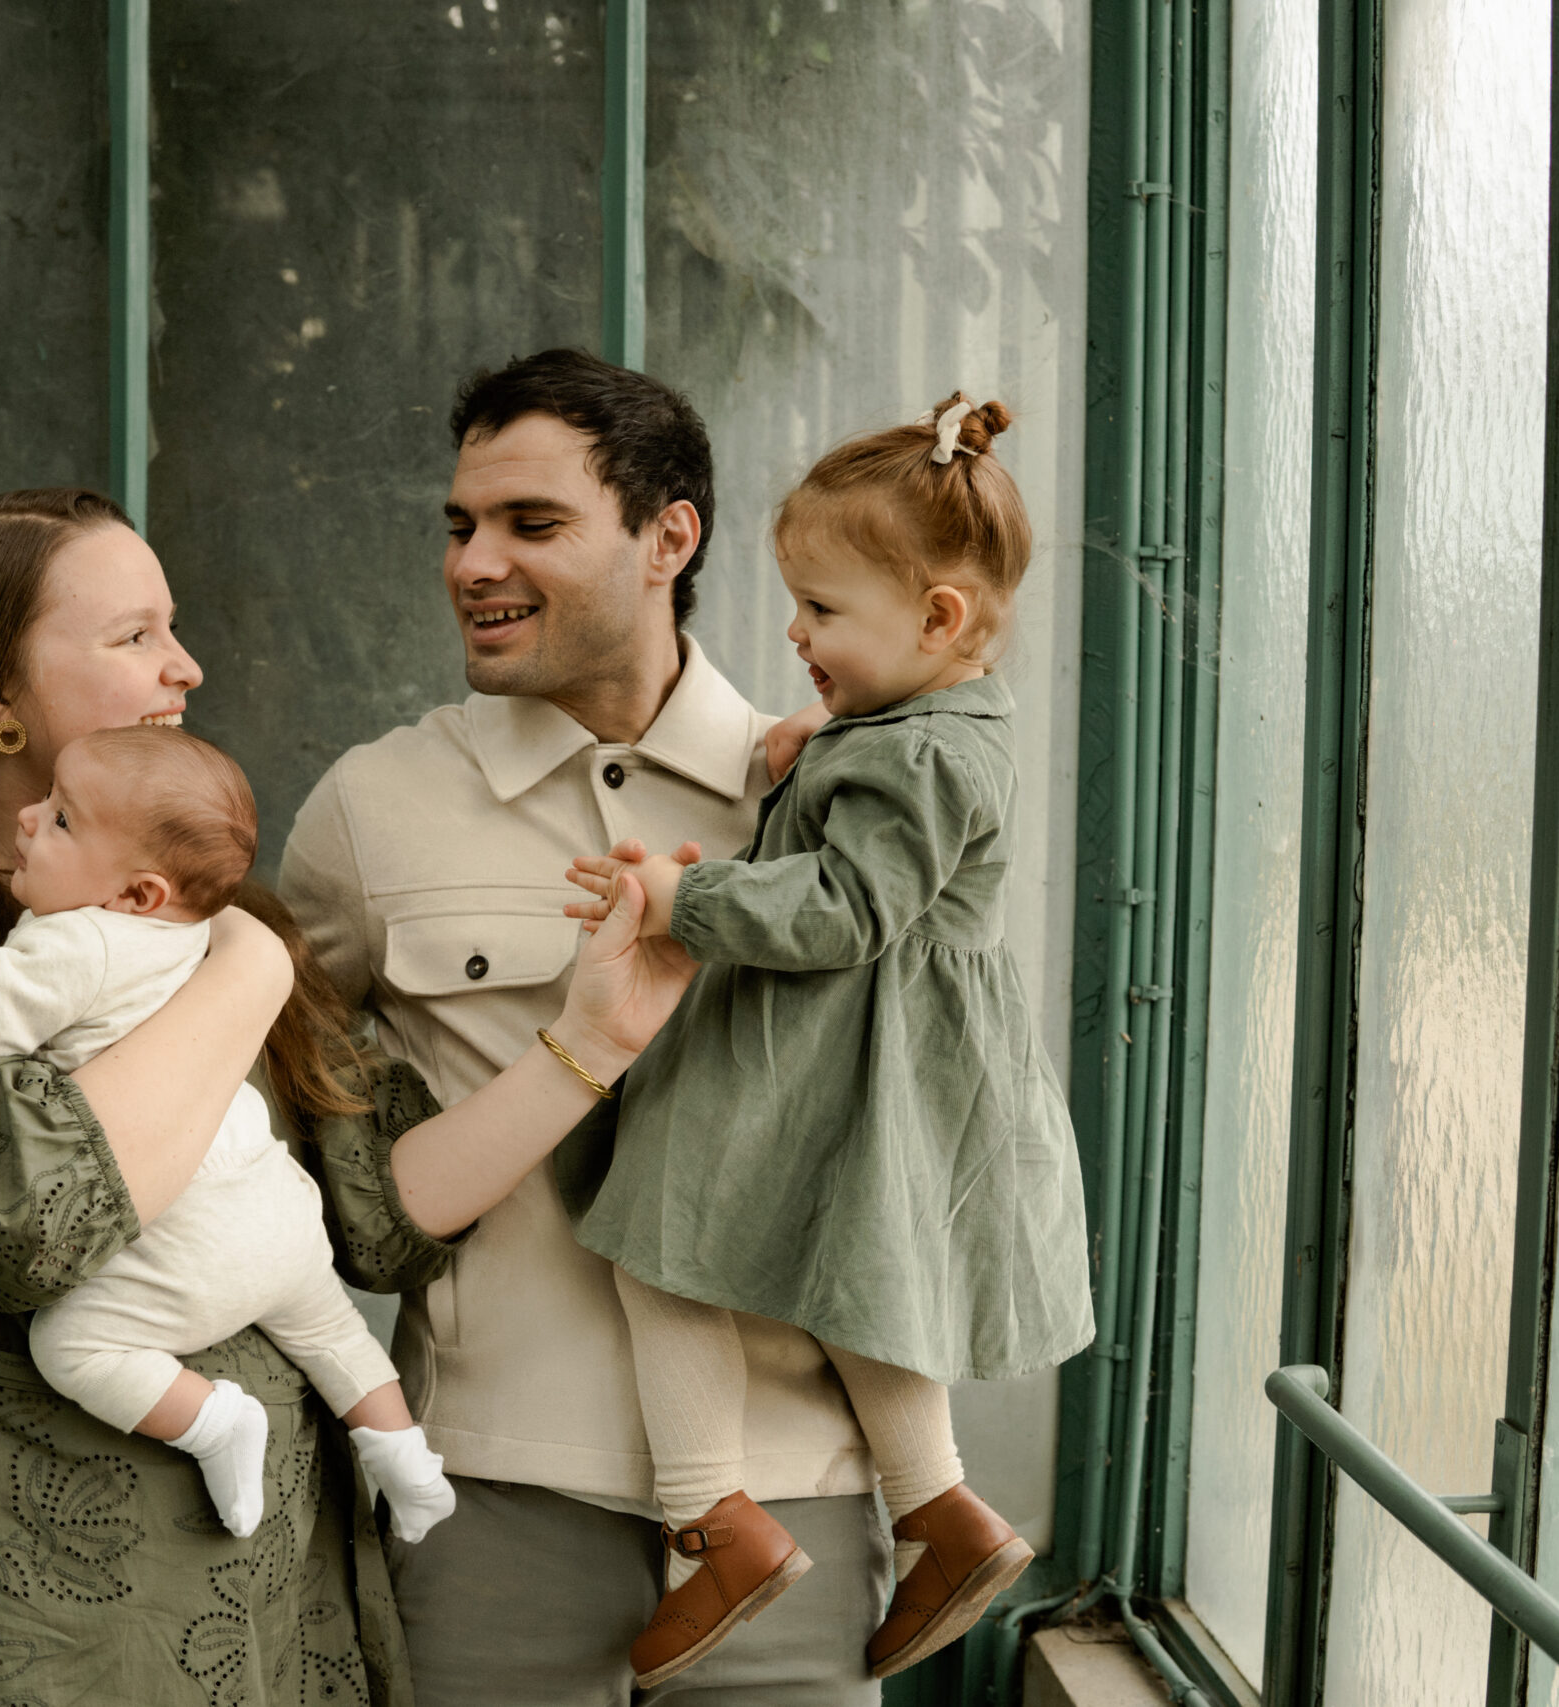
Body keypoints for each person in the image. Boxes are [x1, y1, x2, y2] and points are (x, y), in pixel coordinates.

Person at [0, 485, 700, 1705]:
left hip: (255, 1563)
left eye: (172, 628)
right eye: (132, 636)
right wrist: (243, 976)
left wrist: (594, 1041)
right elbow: (32, 1220)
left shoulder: (179, 902)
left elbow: (375, 1213)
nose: (184, 667)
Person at [279, 349, 884, 1706]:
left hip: (799, 1486)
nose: (472, 562)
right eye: (459, 526)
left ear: (670, 535)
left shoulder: (838, 790)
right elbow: (274, 1146)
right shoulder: (370, 809)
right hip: (495, 1494)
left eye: (530, 524)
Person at [562, 395, 1094, 1686]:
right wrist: (820, 745)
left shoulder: (907, 757)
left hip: (843, 1053)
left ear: (939, 618)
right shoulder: (941, 725)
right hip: (891, 1063)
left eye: (820, 611)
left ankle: (719, 1518)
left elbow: (849, 907)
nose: (794, 633)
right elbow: (873, 821)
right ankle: (942, 1507)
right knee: (869, 1280)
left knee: (659, 1244)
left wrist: (681, 897)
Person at [0, 724, 454, 1544]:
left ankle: (211, 1421)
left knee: (71, 1343)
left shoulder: (82, 939)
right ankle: (407, 1461)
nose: (31, 818)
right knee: (333, 1333)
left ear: (138, 893)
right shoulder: (201, 930)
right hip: (279, 1209)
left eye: (63, 819)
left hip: (193, 1235)